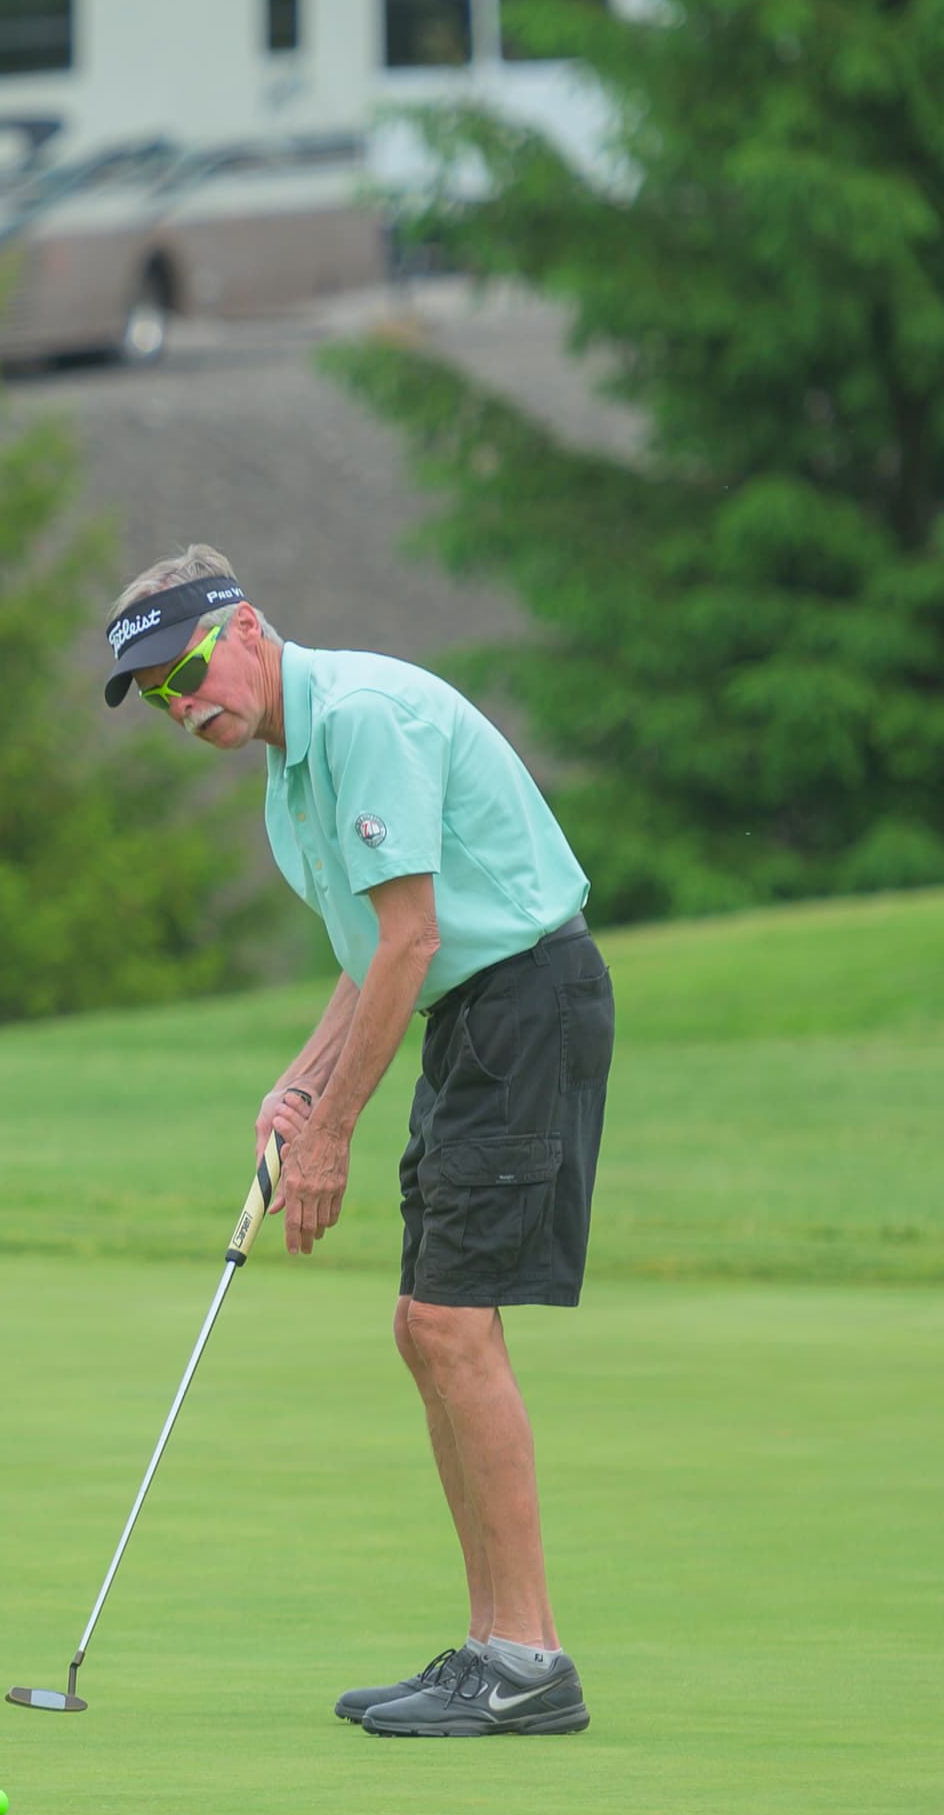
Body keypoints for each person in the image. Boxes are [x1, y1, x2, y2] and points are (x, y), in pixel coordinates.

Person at [99, 546, 610, 1736]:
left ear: (248, 629)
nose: (182, 705)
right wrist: (300, 1081)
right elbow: (366, 952)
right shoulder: (292, 773)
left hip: (523, 1004)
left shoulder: (364, 719)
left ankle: (528, 1659)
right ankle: (495, 1648)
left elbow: (415, 941)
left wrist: (332, 1134)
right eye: (158, 697)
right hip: (475, 1019)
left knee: (445, 1321)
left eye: (185, 669)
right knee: (427, 1325)